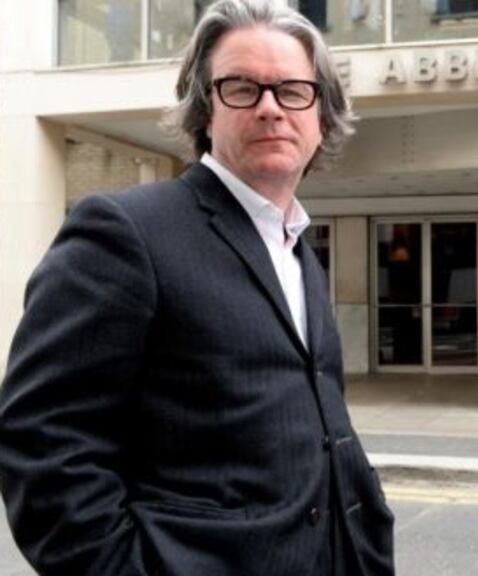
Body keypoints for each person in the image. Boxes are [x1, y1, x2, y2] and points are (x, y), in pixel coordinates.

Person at [0, 1, 394, 574]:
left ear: (320, 114)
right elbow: (44, 445)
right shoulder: (124, 231)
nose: (270, 108)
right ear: (205, 110)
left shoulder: (300, 251)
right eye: (241, 88)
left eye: (292, 90)